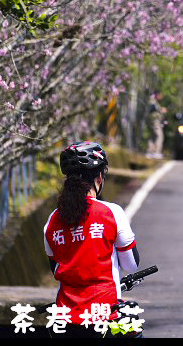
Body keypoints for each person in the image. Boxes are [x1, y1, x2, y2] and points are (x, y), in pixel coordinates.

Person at [44, 141, 141, 335]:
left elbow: (56, 269)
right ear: (99, 177)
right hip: (106, 315)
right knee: (133, 329)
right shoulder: (111, 213)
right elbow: (131, 265)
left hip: (66, 318)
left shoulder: (52, 220)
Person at [146, 90, 166, 159]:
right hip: (155, 122)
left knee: (153, 136)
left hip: (153, 121)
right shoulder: (153, 102)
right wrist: (161, 110)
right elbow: (152, 109)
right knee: (159, 136)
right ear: (157, 95)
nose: (161, 97)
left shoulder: (154, 102)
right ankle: (156, 152)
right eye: (160, 95)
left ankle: (150, 152)